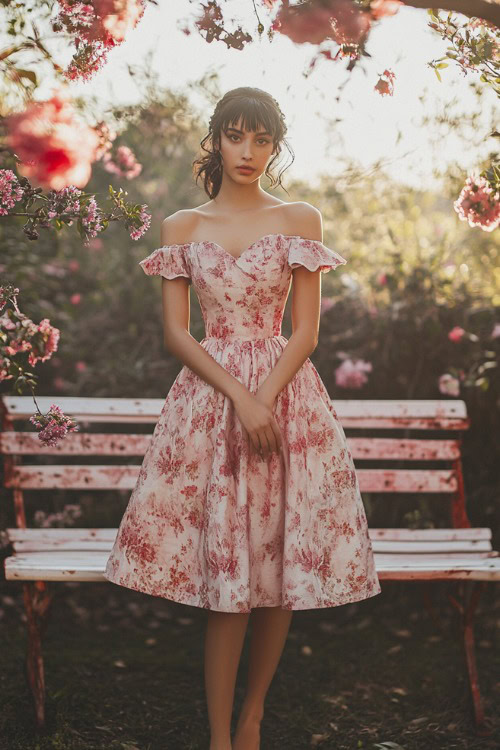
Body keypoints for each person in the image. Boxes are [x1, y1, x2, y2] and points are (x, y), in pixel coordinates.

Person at [103, 86, 382, 750]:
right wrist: (240, 397)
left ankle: (254, 713)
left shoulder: (299, 219)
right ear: (216, 140)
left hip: (290, 400)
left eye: (262, 139)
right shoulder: (182, 227)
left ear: (275, 145)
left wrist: (267, 398)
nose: (248, 151)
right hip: (210, 404)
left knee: (279, 567)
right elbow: (178, 334)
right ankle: (218, 739)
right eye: (236, 136)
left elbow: (307, 332)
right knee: (228, 569)